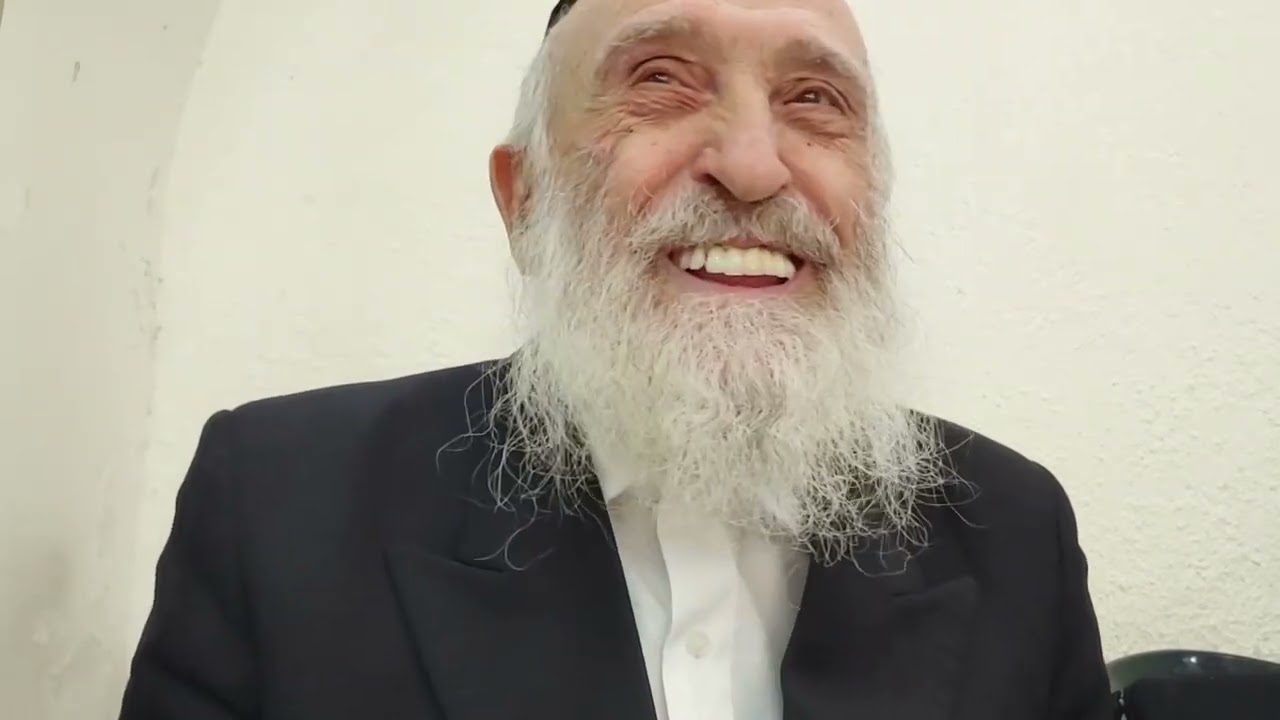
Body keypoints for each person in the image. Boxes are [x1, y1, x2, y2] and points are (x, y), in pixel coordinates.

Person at [119, 0, 1112, 718]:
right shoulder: (279, 499)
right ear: (524, 201)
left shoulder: (1015, 533)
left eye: (814, 100)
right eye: (660, 80)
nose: (752, 166)